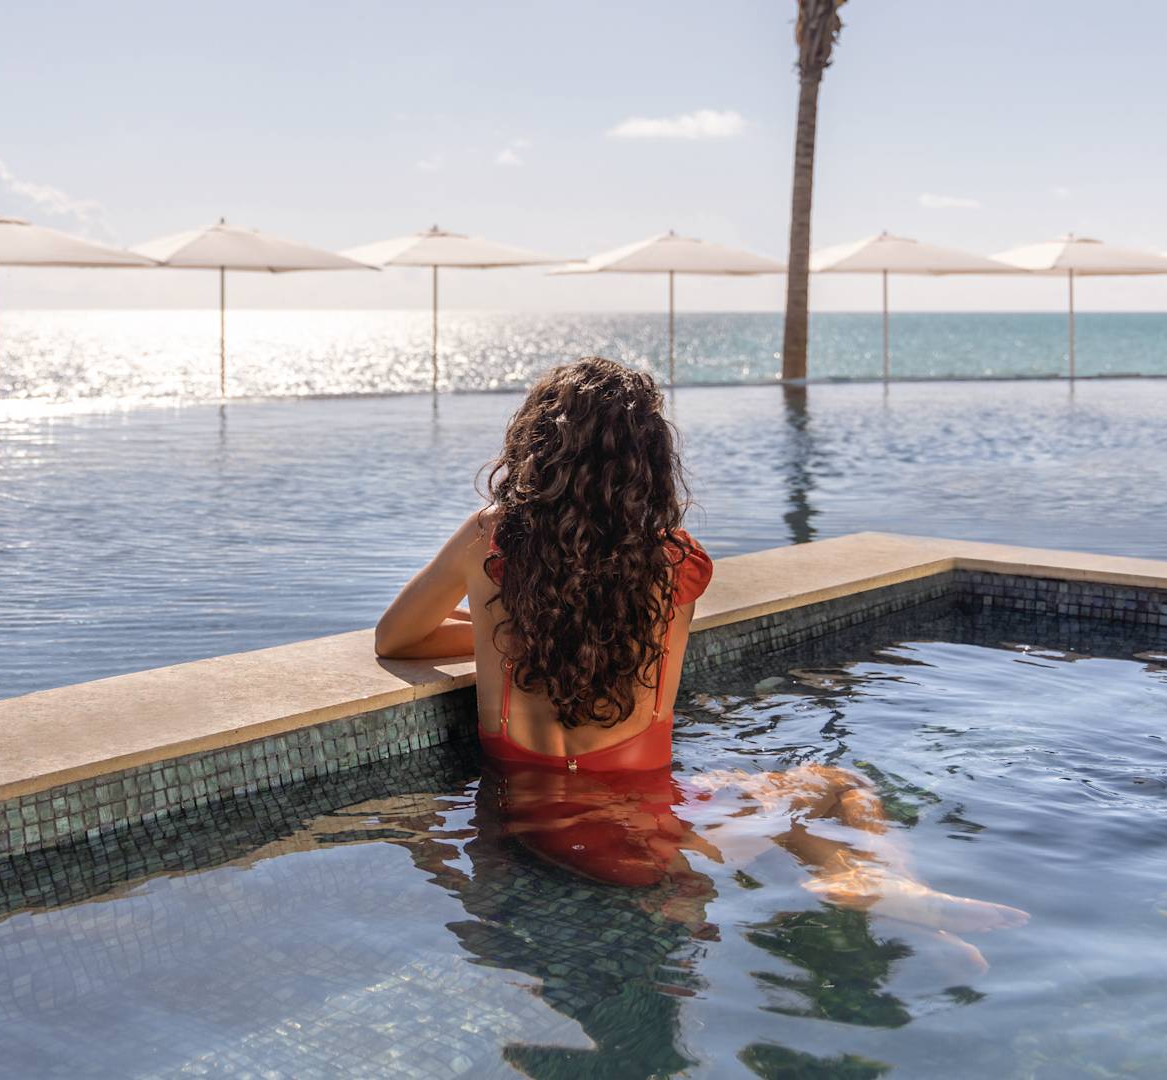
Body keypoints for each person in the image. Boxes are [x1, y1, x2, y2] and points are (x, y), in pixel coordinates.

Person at [374, 357, 1024, 953]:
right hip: (650, 841)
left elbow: (395, 638)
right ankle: (877, 885)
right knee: (833, 786)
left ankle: (890, 908)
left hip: (522, 828)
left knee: (771, 806)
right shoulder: (675, 563)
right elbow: (607, 636)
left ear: (536, 444)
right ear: (649, 457)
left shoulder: (488, 536)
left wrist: (502, 633)